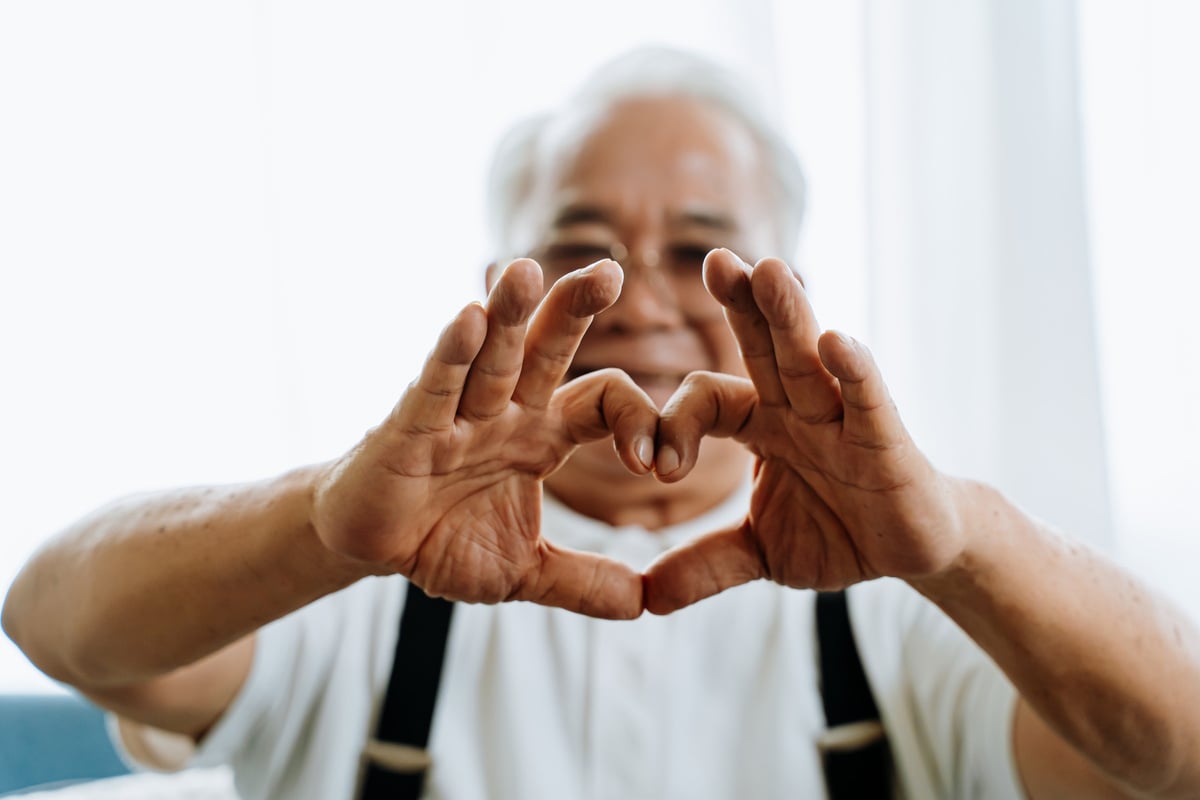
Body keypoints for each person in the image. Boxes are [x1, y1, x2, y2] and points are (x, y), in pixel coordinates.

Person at [4, 47, 1200, 800]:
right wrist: (322, 520)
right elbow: (58, 623)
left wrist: (970, 536)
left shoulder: (905, 596)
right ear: (501, 281)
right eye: (581, 248)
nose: (643, 292)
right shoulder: (350, 574)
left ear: (787, 289)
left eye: (702, 248)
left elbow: (1175, 760)